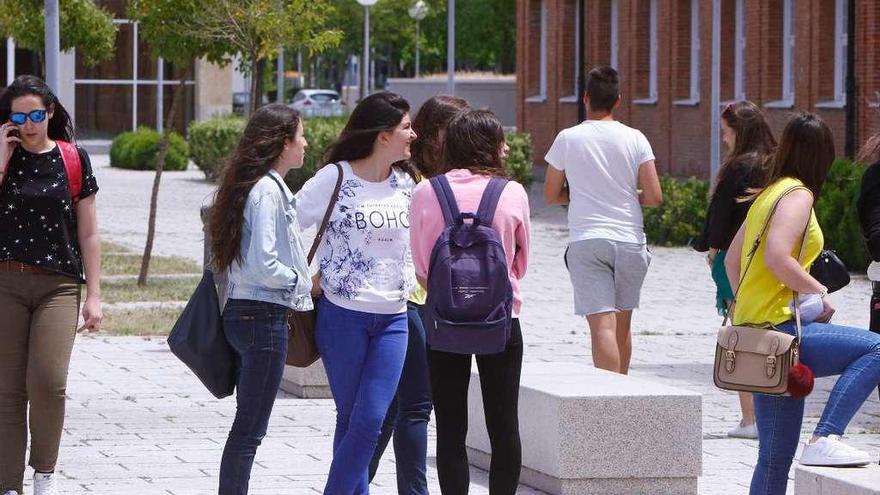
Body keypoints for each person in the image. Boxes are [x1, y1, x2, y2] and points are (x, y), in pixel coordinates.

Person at [724, 113, 880, 494]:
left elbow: (731, 260)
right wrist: (817, 292)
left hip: (759, 339)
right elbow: (778, 257)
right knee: (877, 347)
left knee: (772, 461)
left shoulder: (769, 192)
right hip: (782, 334)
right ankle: (824, 437)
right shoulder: (798, 195)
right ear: (821, 156)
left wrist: (752, 307)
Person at [295, 92, 417, 494]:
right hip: (342, 316)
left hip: (394, 319)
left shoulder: (407, 183)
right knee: (354, 420)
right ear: (383, 135)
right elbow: (286, 224)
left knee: (370, 420)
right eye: (405, 127)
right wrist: (303, 278)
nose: (412, 135)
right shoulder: (336, 177)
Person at [410, 109, 530, 494]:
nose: (507, 146)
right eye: (501, 139)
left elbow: (420, 265)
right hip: (500, 320)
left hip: (444, 320)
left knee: (449, 427)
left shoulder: (427, 191)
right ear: (489, 146)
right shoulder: (511, 192)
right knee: (503, 425)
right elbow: (521, 262)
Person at [0, 75, 102, 495]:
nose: (28, 125)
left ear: (51, 112)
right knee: (7, 392)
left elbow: (89, 234)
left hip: (58, 287)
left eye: (36, 114)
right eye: (19, 116)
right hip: (6, 283)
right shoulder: (3, 159)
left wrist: (94, 294)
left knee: (48, 382)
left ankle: (45, 473)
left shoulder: (73, 159)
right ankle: (8, 484)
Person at [207, 103, 313, 494]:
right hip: (262, 316)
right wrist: (299, 281)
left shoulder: (254, 186)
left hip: (245, 313)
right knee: (250, 428)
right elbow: (263, 264)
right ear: (283, 143)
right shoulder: (267, 191)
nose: (306, 143)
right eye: (301, 135)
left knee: (247, 424)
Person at [369, 95, 469, 493]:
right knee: (413, 405)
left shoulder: (426, 176)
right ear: (439, 133)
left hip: (419, 300)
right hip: (411, 300)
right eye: (458, 127)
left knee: (395, 406)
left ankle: (352, 479)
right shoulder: (416, 182)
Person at [543, 66, 662, 374]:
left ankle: (607, 400)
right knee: (622, 326)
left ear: (585, 99)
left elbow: (551, 194)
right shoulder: (636, 138)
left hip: (588, 239)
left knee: (601, 327)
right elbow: (654, 196)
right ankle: (622, 393)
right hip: (630, 239)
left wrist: (579, 194)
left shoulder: (568, 138)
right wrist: (626, 194)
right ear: (618, 101)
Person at [693, 101, 776, 440]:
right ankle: (769, 411)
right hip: (770, 256)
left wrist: (711, 251)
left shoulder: (738, 166)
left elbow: (720, 215)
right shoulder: (776, 162)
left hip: (736, 258)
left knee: (741, 333)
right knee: (767, 329)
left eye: (726, 132)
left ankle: (750, 419)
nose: (724, 139)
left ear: (738, 131)